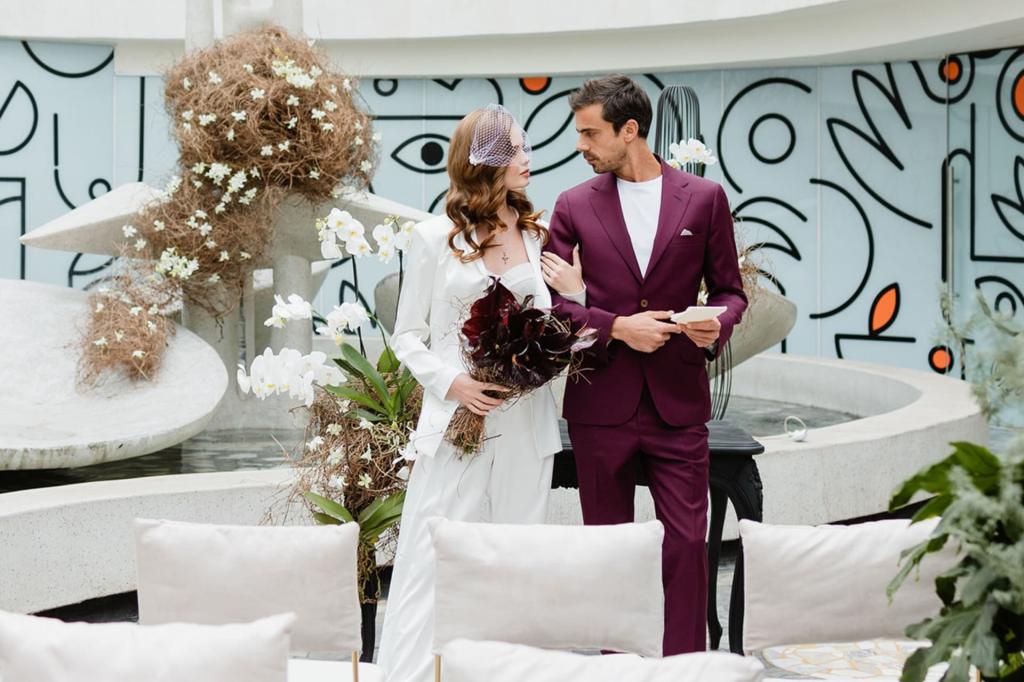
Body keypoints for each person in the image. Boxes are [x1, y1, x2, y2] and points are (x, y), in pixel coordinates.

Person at [541, 74, 748, 655]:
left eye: (590, 132)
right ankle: (615, 667)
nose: (581, 145)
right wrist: (616, 327)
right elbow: (552, 306)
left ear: (629, 130)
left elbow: (732, 292)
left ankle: (683, 666)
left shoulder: (703, 199)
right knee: (607, 548)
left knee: (685, 545)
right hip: (600, 405)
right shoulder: (573, 206)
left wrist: (715, 323)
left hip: (677, 406)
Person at [377, 104, 573, 682]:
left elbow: (557, 322)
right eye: (516, 149)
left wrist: (574, 302)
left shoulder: (539, 235)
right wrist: (455, 384)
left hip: (527, 427)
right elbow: (408, 336)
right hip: (457, 427)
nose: (528, 158)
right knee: (437, 560)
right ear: (485, 159)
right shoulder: (435, 236)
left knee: (514, 565)